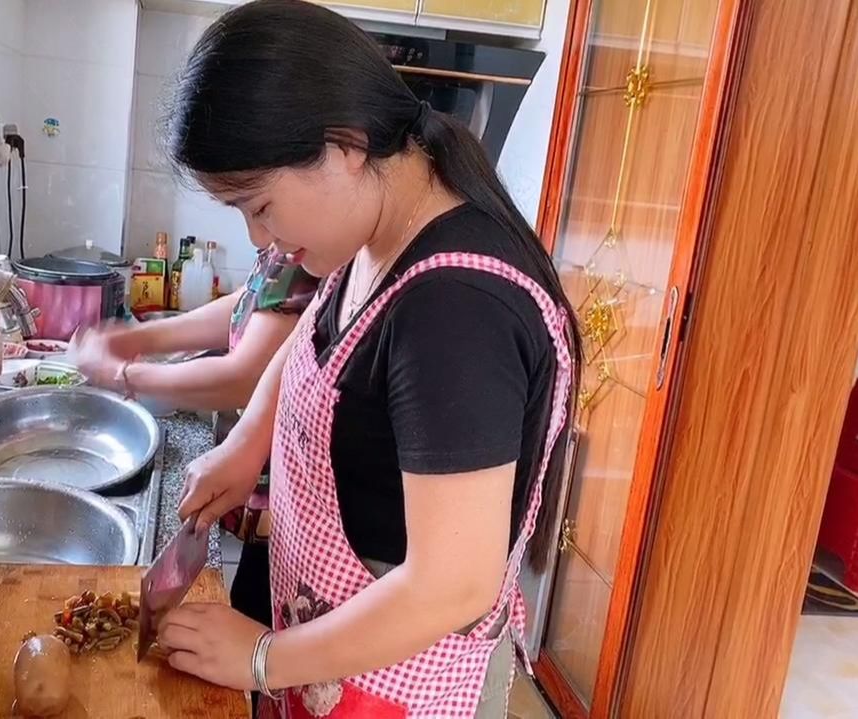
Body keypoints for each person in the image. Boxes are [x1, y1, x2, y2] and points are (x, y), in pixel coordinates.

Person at [157, 2, 583, 717]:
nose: (260, 239)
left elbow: (453, 584)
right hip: (330, 660)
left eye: (258, 205)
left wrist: (260, 657)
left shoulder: (457, 308)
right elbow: (320, 341)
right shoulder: (379, 231)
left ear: (345, 146)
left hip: (399, 686)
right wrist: (244, 442)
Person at [70, 239, 318, 636]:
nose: (255, 235)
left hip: (298, 506)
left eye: (259, 208)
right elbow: (248, 303)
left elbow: (245, 377)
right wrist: (143, 339)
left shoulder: (323, 248)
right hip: (272, 500)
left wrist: (125, 375)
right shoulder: (295, 239)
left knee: (267, 633)